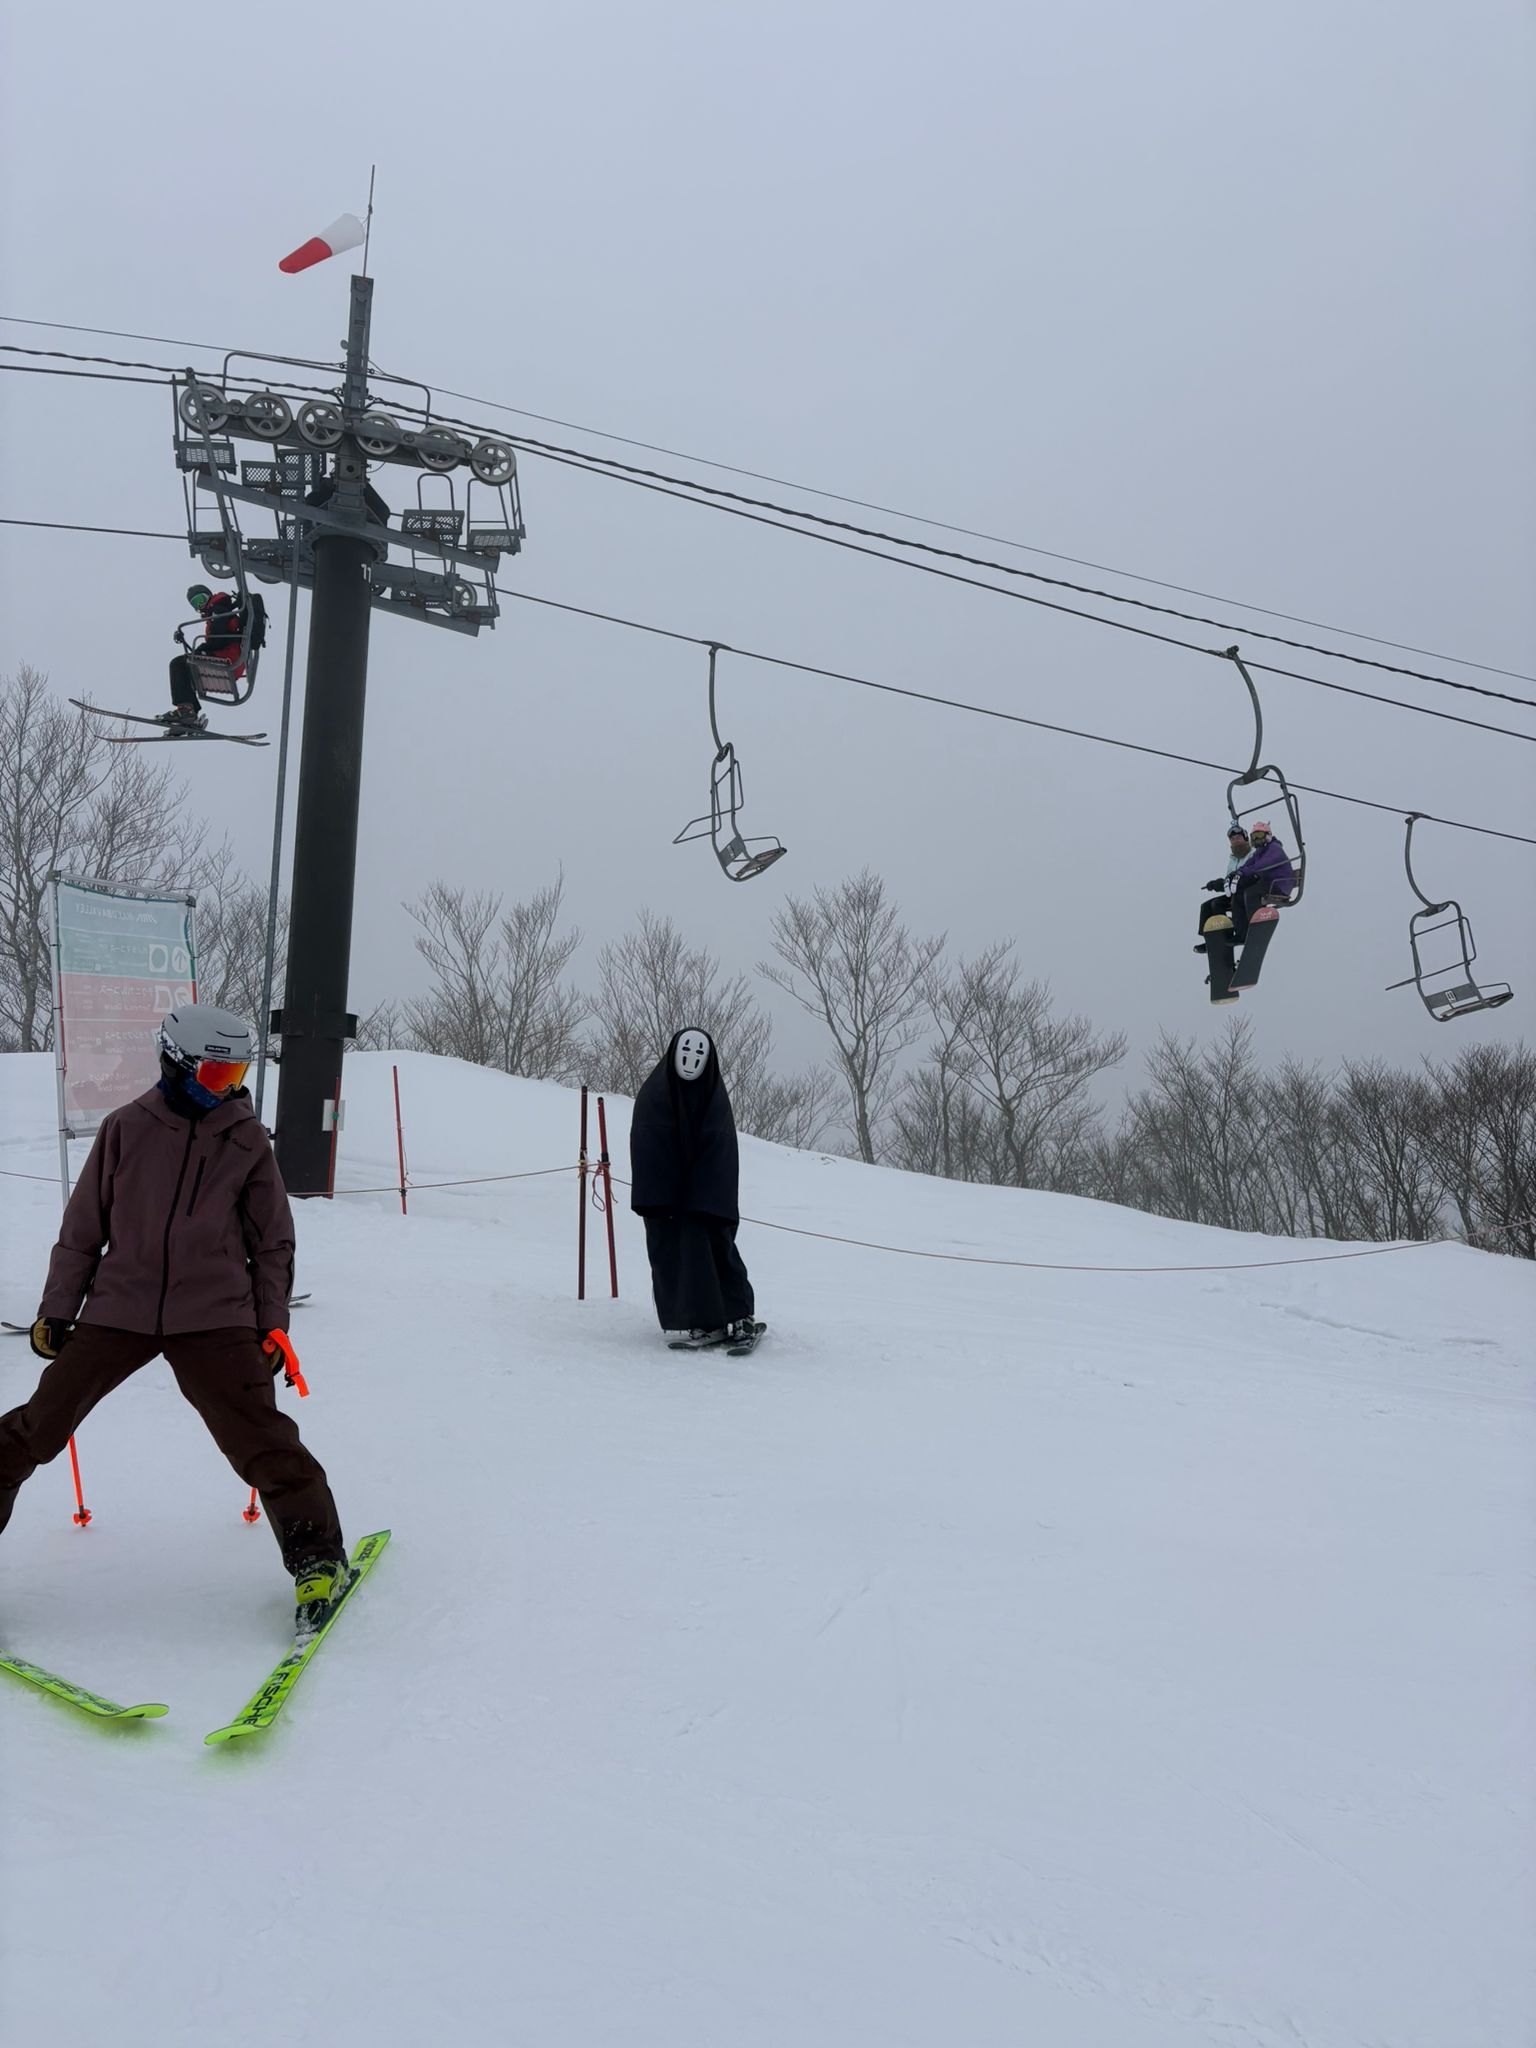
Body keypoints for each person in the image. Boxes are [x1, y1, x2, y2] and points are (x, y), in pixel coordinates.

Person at [0, 1004, 347, 1633]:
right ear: (176, 1064)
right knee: (34, 1430)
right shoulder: (125, 1128)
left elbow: (272, 1242)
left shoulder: (246, 1139)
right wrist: (57, 1308)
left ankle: (318, 1561)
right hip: (120, 1308)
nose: (227, 1088)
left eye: (237, 1074)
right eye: (216, 1074)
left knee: (262, 1440)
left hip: (214, 1314)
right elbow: (83, 1230)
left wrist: (272, 1321)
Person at [629, 1028, 758, 1348]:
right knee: (680, 1258)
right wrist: (663, 1192)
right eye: (686, 1052)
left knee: (717, 1249)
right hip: (668, 1199)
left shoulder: (714, 1098)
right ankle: (701, 1319)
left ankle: (740, 1315)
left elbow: (720, 1145)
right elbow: (647, 1141)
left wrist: (703, 1191)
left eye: (699, 1054)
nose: (691, 1060)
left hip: (705, 1196)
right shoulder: (655, 1095)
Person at [158, 583, 247, 733]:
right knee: (186, 666)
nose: (200, 606)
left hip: (228, 658)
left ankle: (186, 711)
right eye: (195, 604)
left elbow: (218, 640)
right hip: (229, 659)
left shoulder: (218, 609)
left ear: (209, 596)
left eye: (201, 600)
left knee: (178, 663)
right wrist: (191, 646)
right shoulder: (218, 611)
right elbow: (216, 640)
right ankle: (188, 714)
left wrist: (199, 650)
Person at [1231, 819, 1297, 940]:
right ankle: (1242, 932)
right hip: (1268, 883)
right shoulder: (1260, 851)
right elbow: (1249, 864)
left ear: (1268, 835)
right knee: (1239, 893)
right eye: (1254, 836)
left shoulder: (1275, 849)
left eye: (1259, 835)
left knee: (1251, 893)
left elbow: (1261, 865)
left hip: (1280, 885)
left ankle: (1256, 929)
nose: (1257, 839)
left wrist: (1243, 872)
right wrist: (1238, 872)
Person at [1194, 822, 1251, 952]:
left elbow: (1247, 874)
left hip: (1247, 890)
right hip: (1235, 891)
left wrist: (1222, 883)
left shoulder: (1251, 855)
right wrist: (1216, 884)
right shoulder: (1233, 860)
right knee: (1206, 906)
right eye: (1233, 839)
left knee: (1217, 904)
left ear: (1245, 839)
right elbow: (1229, 881)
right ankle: (1210, 939)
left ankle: (1230, 934)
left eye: (1238, 838)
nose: (1236, 841)